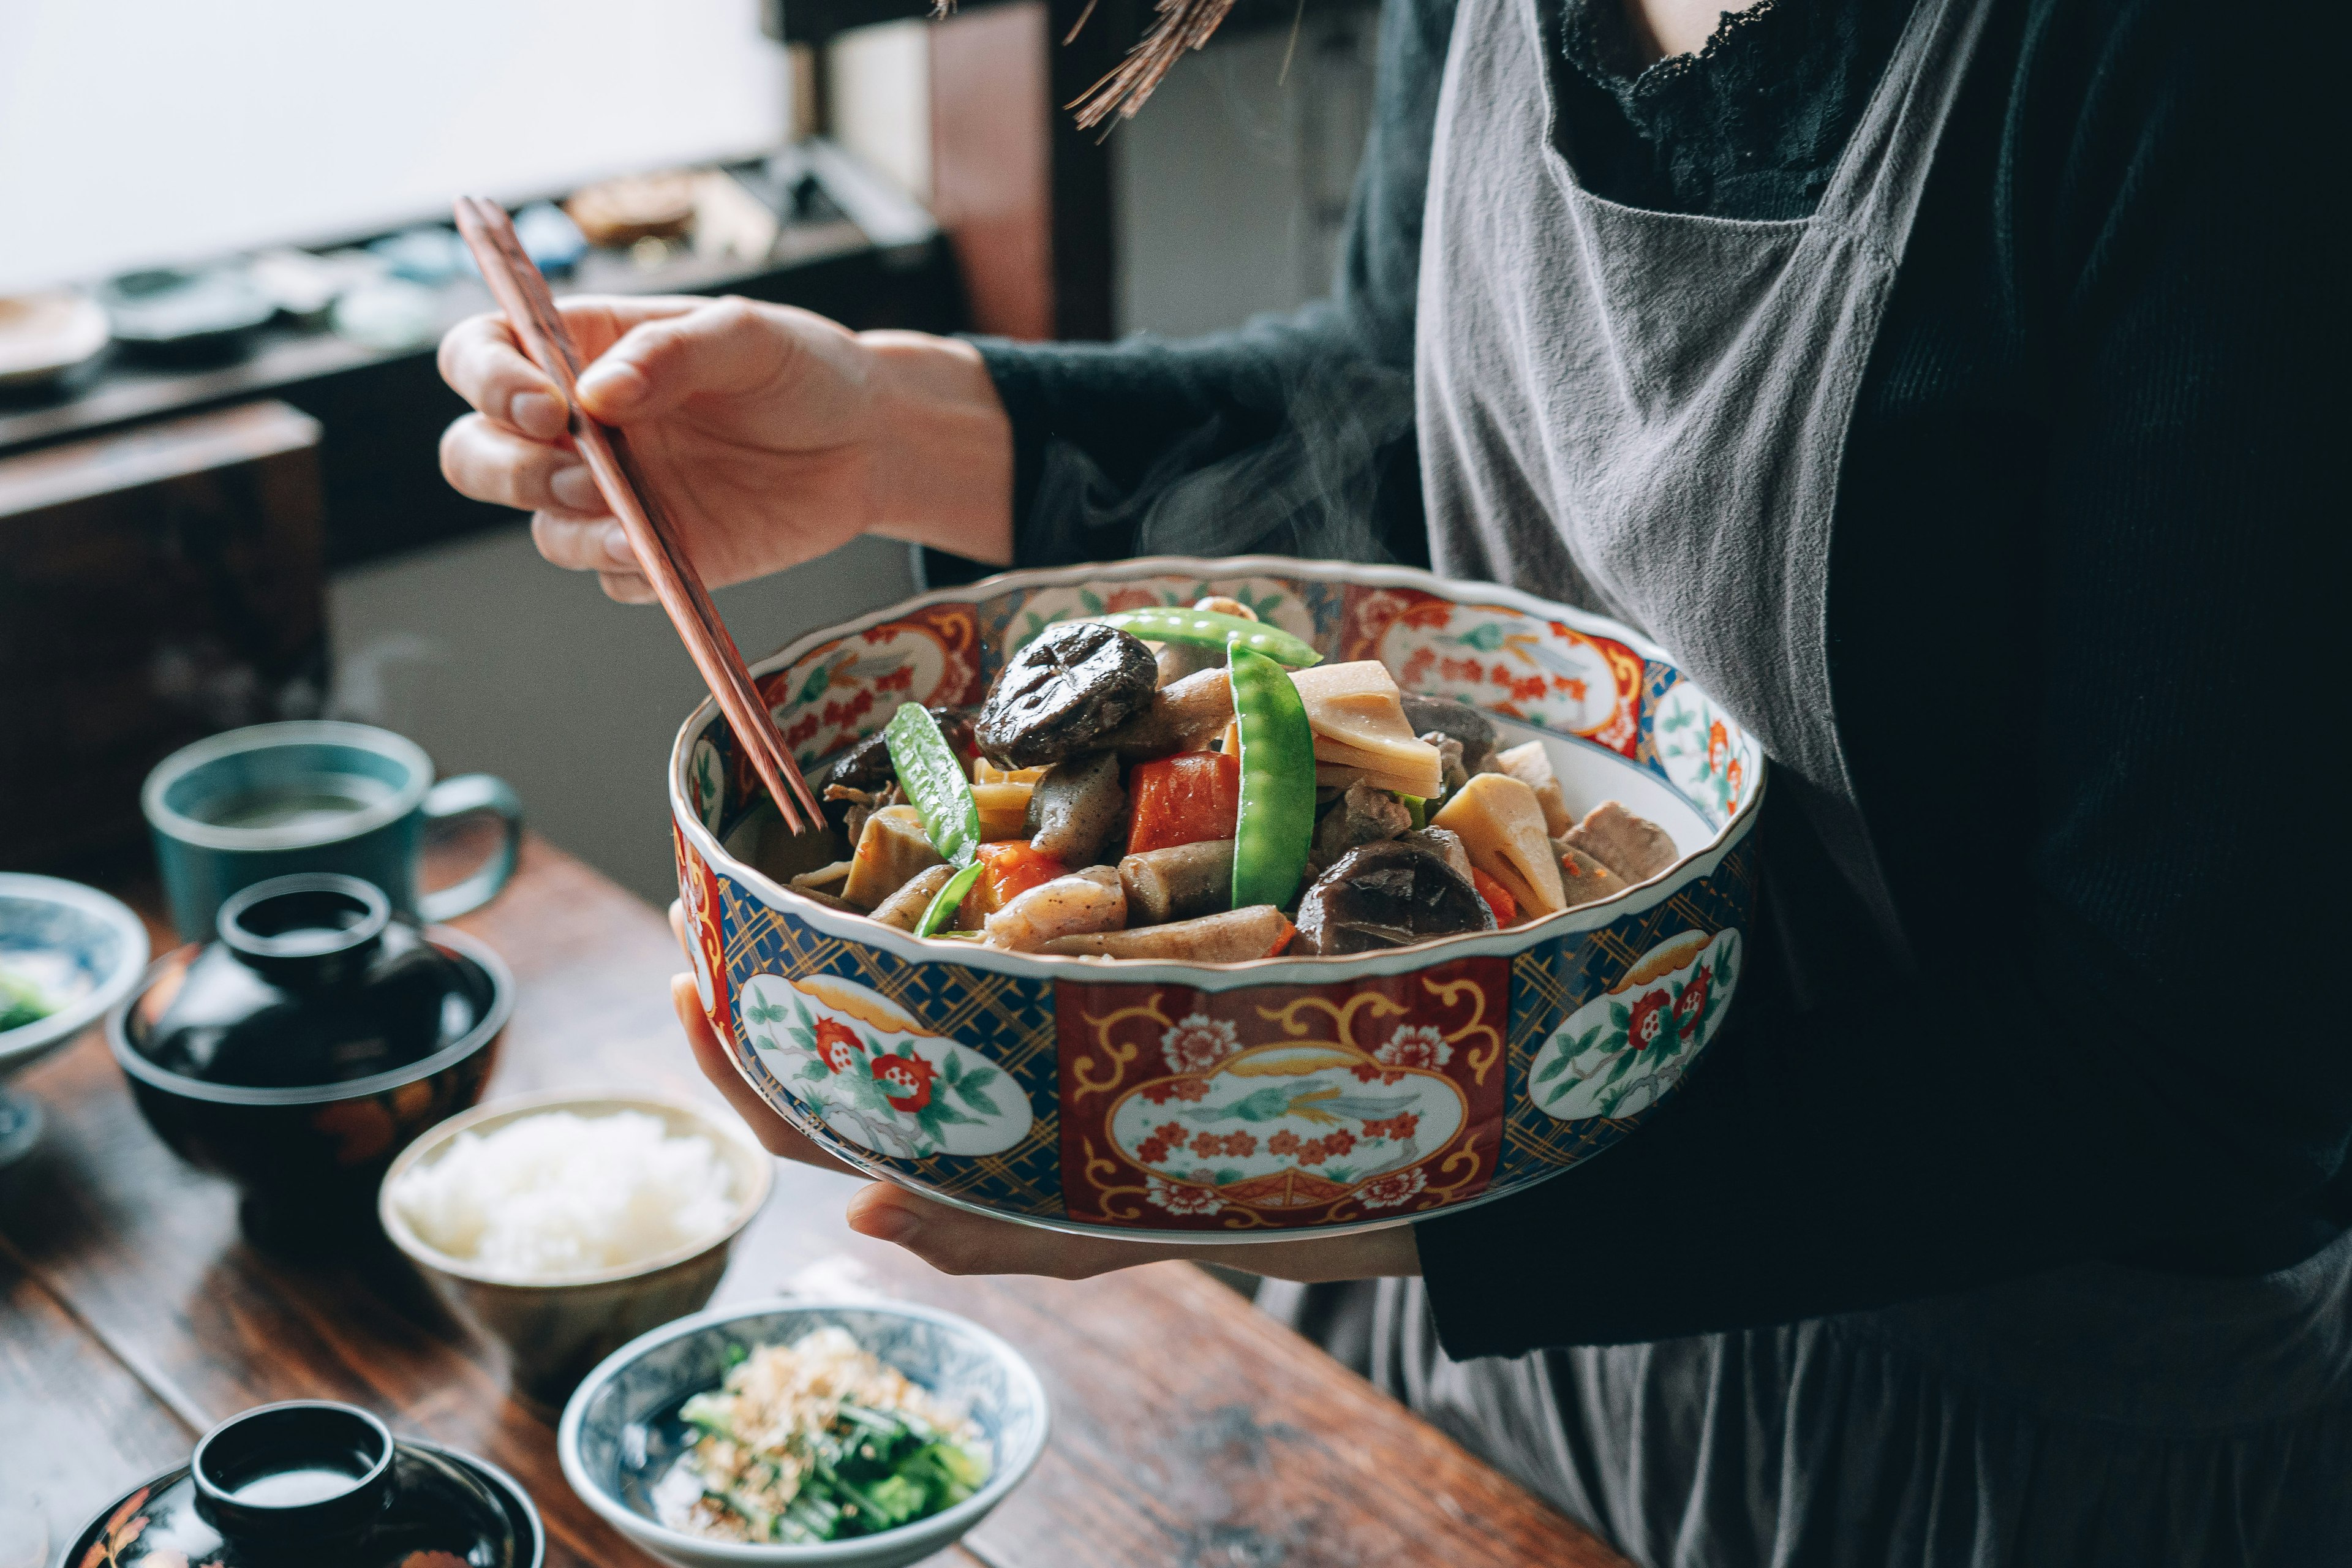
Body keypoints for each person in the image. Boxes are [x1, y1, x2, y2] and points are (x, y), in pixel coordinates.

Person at [437, 0, 2344, 1559]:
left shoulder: (2220, 70)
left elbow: (2201, 1085)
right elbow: (1399, 417)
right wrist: (893, 431)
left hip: (1995, 1446)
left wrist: (1294, 1174)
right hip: (1457, 1338)